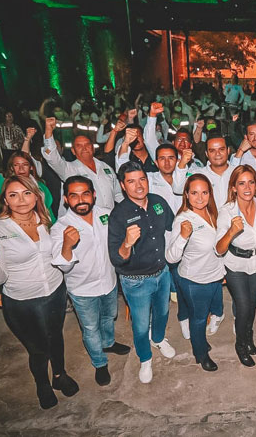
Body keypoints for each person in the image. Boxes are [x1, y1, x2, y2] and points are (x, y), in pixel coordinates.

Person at [0, 176, 78, 409]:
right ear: (5, 200)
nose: (21, 200)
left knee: (56, 337)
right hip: (22, 300)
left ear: (36, 196)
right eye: (13, 195)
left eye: (26, 193)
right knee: (38, 348)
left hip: (54, 291)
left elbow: (56, 254)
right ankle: (42, 383)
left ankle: (59, 375)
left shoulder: (45, 220)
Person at [50, 176, 130, 386]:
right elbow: (64, 267)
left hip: (109, 281)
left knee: (109, 316)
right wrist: (67, 245)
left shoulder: (106, 214)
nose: (81, 200)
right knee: (91, 328)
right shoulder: (60, 227)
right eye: (74, 196)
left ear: (93, 195)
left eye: (85, 194)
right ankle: (100, 363)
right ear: (66, 199)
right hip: (82, 289)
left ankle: (109, 343)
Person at [107, 162, 176, 384]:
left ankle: (158, 339)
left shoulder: (158, 202)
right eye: (131, 181)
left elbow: (173, 226)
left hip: (162, 273)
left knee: (163, 313)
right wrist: (127, 243)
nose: (138, 186)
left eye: (142, 179)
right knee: (140, 324)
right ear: (122, 185)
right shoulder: (119, 215)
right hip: (135, 281)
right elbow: (117, 258)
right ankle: (145, 358)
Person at [166, 174, 225, 372]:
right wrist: (183, 236)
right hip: (195, 281)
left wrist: (222, 270)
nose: (200, 198)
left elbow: (218, 246)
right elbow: (171, 257)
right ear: (186, 194)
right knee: (198, 319)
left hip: (215, 275)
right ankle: (200, 354)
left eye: (204, 192)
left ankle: (200, 342)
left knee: (208, 313)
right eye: (194, 193)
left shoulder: (213, 213)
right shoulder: (183, 220)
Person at [216, 165, 256, 367]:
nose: (247, 188)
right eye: (241, 183)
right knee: (243, 306)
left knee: (253, 304)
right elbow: (219, 249)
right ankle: (240, 344)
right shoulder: (227, 211)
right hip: (235, 264)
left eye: (251, 182)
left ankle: (248, 335)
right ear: (233, 187)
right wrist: (231, 232)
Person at [42, 117, 123, 213]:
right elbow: (52, 157)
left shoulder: (106, 167)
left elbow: (118, 194)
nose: (84, 148)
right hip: (84, 220)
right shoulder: (69, 169)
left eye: (87, 145)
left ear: (93, 148)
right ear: (73, 151)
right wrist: (48, 131)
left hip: (111, 218)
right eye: (79, 146)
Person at [0, 146, 55, 223]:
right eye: (16, 165)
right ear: (12, 168)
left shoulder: (40, 185)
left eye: (25, 165)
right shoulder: (8, 184)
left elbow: (49, 211)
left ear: (31, 167)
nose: (21, 169)